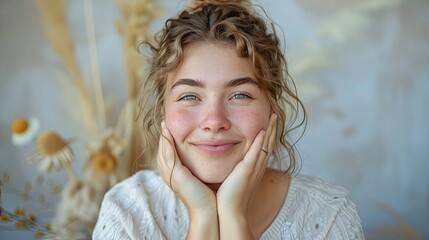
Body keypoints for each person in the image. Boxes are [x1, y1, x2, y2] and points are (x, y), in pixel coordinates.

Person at [93, 0, 365, 239]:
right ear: (162, 110)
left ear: (272, 108)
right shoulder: (127, 212)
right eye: (189, 96)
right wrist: (202, 215)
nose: (214, 121)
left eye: (239, 95)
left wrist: (234, 216)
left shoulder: (328, 216)